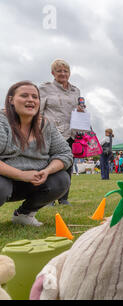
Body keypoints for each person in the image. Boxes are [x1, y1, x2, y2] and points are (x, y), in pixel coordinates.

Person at [0, 81, 72, 226]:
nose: (31, 100)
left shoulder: (46, 125)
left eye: (35, 97)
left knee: (61, 180)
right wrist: (21, 174)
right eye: (24, 95)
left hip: (34, 181)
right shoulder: (2, 122)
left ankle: (24, 215)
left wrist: (47, 171)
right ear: (11, 100)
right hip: (4, 179)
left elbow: (65, 153)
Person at [39, 59, 84, 206]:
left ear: (69, 73)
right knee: (51, 164)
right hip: (52, 132)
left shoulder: (75, 90)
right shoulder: (45, 89)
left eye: (65, 71)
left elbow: (78, 109)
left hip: (71, 133)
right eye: (59, 71)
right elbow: (38, 111)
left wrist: (81, 111)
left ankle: (63, 198)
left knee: (69, 165)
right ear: (53, 73)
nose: (63, 74)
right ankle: (48, 198)